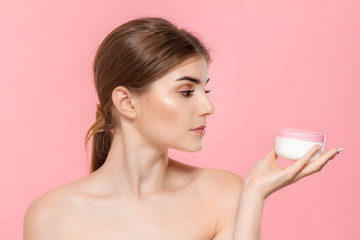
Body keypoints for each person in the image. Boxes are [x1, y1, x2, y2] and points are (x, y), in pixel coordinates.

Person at [23, 17, 342, 240]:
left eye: (206, 90)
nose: (208, 107)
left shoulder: (223, 194)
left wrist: (254, 196)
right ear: (127, 102)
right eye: (187, 91)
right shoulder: (52, 215)